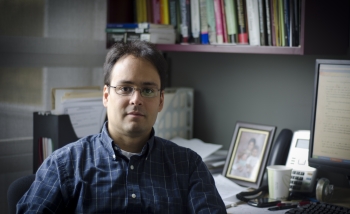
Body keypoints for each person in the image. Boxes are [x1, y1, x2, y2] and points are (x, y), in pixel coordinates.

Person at [17, 41, 226, 213]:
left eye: (148, 90)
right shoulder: (65, 165)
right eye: (125, 88)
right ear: (106, 96)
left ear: (161, 100)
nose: (136, 99)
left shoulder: (189, 166)